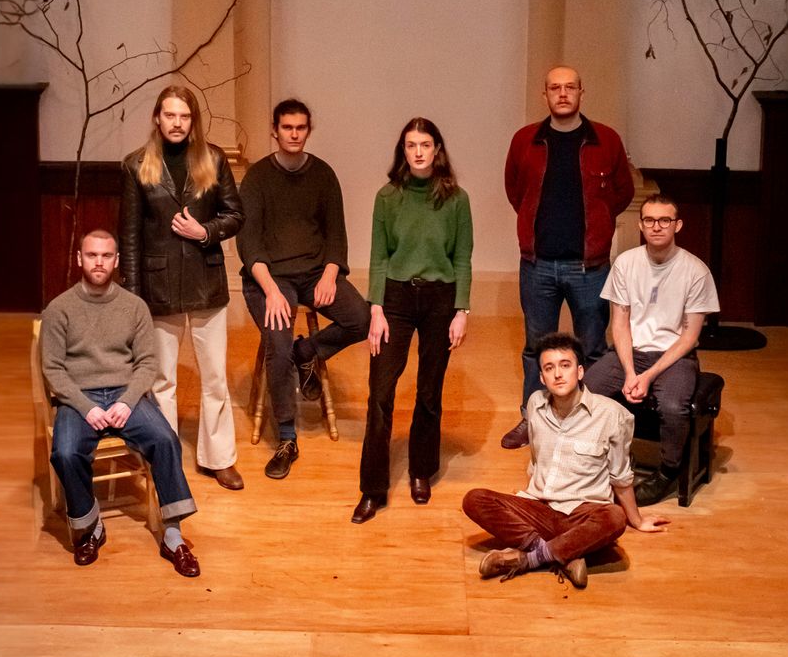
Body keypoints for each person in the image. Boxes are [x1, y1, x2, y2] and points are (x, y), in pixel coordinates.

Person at [41, 230, 200, 576]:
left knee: (165, 439)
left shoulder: (134, 306)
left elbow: (147, 364)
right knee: (65, 452)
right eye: (92, 255)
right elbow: (53, 369)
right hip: (79, 398)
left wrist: (127, 402)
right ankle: (90, 526)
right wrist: (86, 407)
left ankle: (173, 535)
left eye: (106, 256)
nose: (99, 262)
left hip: (125, 394)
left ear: (116, 261)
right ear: (79, 259)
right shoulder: (59, 309)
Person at [463, 332, 668, 587]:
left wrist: (636, 520)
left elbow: (620, 476)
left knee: (615, 517)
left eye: (565, 365)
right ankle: (564, 553)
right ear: (542, 377)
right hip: (542, 507)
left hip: (583, 513)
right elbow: (537, 460)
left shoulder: (612, 414)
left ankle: (529, 558)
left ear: (580, 372)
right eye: (549, 368)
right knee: (474, 499)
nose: (558, 374)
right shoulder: (535, 404)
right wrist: (526, 501)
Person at [501, 65, 635, 450]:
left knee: (592, 348)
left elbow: (621, 193)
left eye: (570, 87)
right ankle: (532, 419)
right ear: (544, 94)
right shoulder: (525, 140)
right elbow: (516, 191)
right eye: (555, 88)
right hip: (537, 265)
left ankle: (592, 424)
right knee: (536, 348)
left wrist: (598, 226)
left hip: (589, 267)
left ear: (581, 92)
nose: (562, 94)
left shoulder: (606, 140)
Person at [120, 85, 244, 491]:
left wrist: (204, 231)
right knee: (162, 381)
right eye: (170, 115)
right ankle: (165, 460)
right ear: (157, 118)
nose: (177, 123)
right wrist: (133, 297)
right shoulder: (137, 165)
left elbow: (235, 214)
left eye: (184, 116)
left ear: (193, 121)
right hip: (157, 286)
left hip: (206, 281)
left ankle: (219, 458)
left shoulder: (213, 159)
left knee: (215, 378)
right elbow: (130, 236)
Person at [239, 98, 370, 480]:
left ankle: (308, 351)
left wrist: (330, 275)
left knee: (361, 318)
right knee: (277, 344)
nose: (294, 134)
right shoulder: (258, 178)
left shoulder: (323, 175)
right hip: (270, 278)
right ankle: (286, 436)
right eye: (287, 128)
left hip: (315, 273)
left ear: (308, 130)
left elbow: (336, 234)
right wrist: (271, 291)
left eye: (300, 128)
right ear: (275, 131)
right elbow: (248, 243)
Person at [351, 118, 474, 523]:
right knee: (380, 392)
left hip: (441, 298)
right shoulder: (388, 196)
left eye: (425, 144)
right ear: (402, 151)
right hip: (396, 298)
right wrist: (376, 309)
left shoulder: (456, 199)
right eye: (410, 145)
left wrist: (461, 310)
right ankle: (373, 488)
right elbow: (379, 255)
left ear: (437, 149)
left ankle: (421, 470)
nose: (418, 152)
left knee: (429, 390)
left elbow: (462, 257)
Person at [584, 194, 720, 505]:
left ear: (677, 225)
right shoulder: (626, 263)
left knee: (672, 406)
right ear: (640, 225)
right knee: (587, 391)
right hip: (632, 351)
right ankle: (598, 461)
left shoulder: (695, 271)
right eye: (649, 220)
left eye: (664, 220)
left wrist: (647, 376)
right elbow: (619, 324)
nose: (656, 226)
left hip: (675, 356)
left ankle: (667, 471)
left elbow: (689, 336)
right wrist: (631, 371)